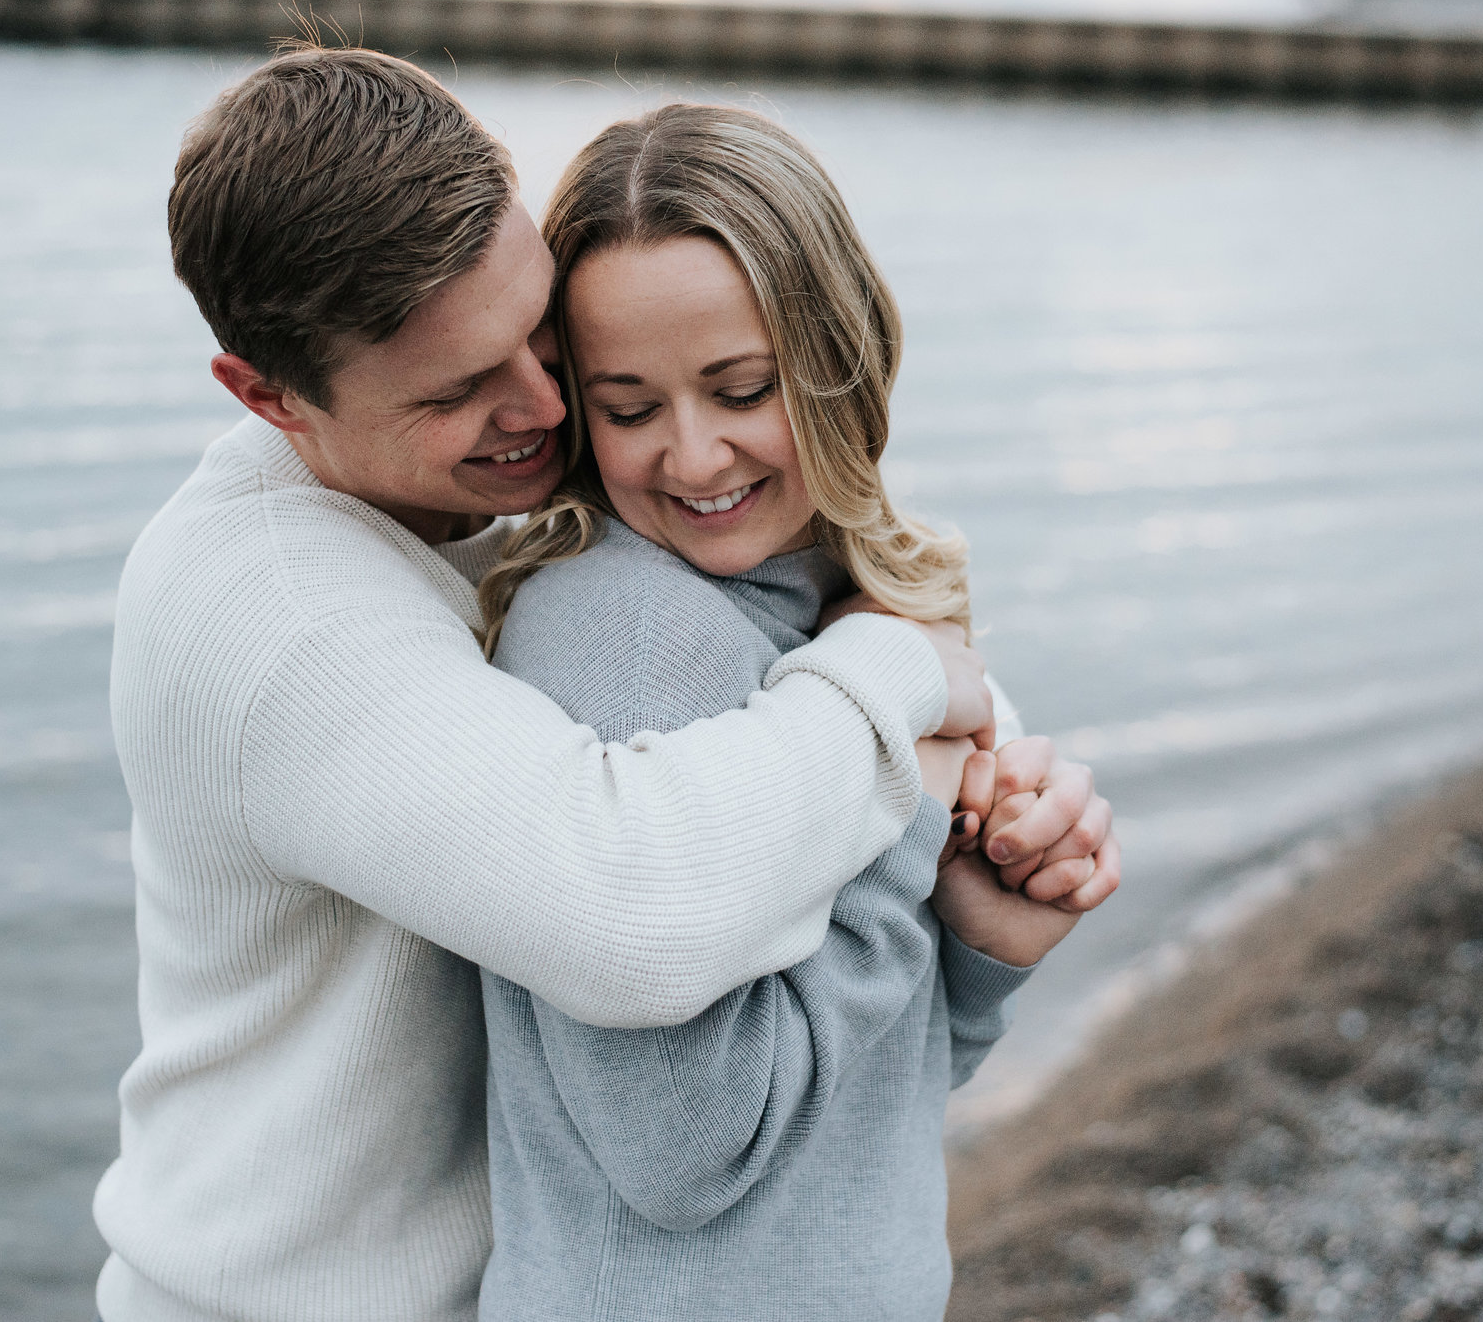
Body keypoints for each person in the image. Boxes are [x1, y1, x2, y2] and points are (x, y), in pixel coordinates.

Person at [95, 45, 1117, 1322]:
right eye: (460, 387)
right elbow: (632, 919)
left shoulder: (491, 503)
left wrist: (973, 903)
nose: (542, 407)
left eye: (538, 334)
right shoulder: (271, 610)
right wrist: (896, 679)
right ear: (269, 398)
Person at [472, 103, 1108, 1320]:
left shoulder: (824, 614)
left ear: (836, 358)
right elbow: (682, 1148)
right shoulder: (625, 633)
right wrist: (907, 807)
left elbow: (870, 1099)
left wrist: (977, 941)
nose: (695, 456)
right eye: (628, 405)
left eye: (740, 387)